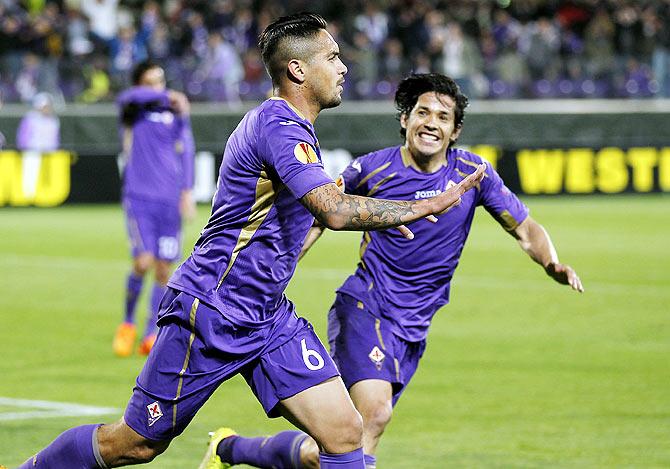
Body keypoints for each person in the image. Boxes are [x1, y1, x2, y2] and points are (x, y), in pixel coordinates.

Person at [17, 14, 485, 469]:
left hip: (265, 315)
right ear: (299, 69)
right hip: (213, 310)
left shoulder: (291, 127)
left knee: (345, 434)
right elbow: (334, 212)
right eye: (333, 57)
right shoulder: (279, 126)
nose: (343, 67)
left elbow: (315, 209)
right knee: (134, 444)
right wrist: (423, 205)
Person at [209, 73, 584, 469]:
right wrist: (277, 265)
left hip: (414, 325)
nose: (431, 123)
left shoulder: (474, 175)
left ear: (454, 131)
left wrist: (551, 262)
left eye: (443, 117)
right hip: (365, 306)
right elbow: (318, 218)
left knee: (337, 445)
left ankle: (229, 449)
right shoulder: (371, 169)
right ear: (405, 119)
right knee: (374, 415)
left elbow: (525, 228)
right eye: (422, 112)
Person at [112, 60, 195, 357]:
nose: (157, 87)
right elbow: (127, 97)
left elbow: (187, 150)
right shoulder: (133, 109)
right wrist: (165, 96)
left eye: (160, 81)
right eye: (150, 82)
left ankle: (150, 332)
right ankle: (127, 324)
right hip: (139, 198)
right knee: (143, 262)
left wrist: (187, 190)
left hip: (169, 201)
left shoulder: (175, 114)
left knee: (163, 269)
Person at [16, 92, 60, 199]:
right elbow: (23, 134)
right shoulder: (31, 118)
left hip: (49, 151)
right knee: (30, 171)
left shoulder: (53, 120)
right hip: (32, 150)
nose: (46, 108)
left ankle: (44, 195)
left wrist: (55, 148)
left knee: (49, 175)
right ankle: (28, 195)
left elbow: (55, 136)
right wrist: (23, 146)